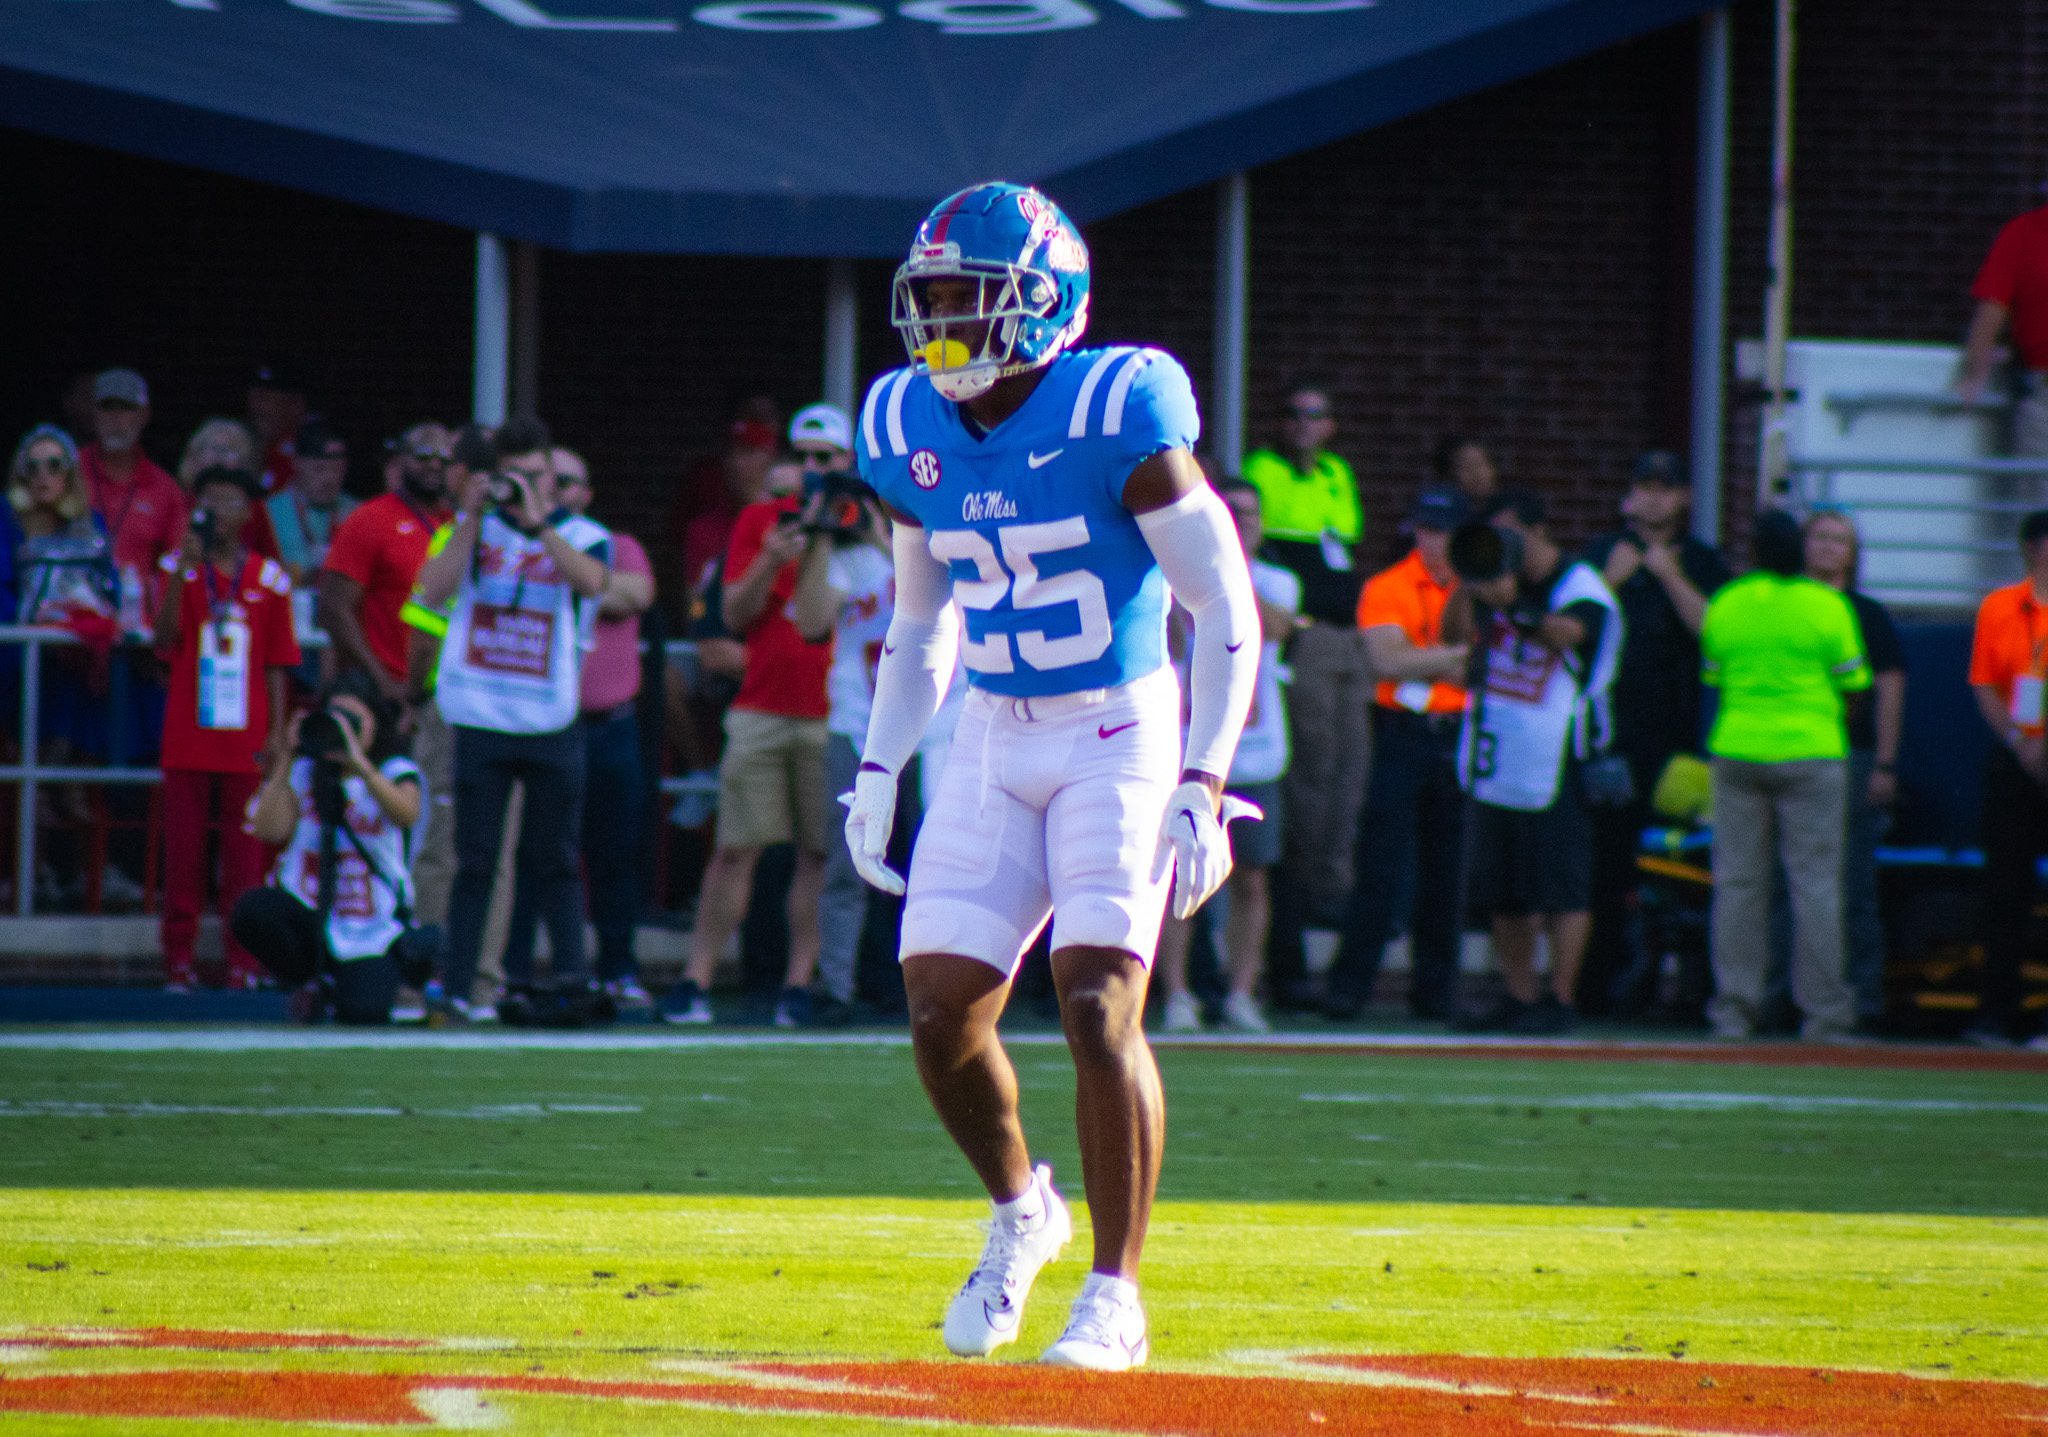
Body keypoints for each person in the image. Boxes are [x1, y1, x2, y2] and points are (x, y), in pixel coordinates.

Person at [844, 183, 1258, 1370]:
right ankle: (1023, 1208)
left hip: (1116, 727)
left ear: (1045, 306)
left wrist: (1203, 778)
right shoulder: (898, 420)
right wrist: (880, 764)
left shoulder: (1118, 404)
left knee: (1094, 1001)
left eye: (969, 305)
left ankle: (1114, 1292)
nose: (942, 334)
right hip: (988, 726)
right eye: (927, 307)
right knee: (936, 1011)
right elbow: (920, 624)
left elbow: (1218, 602)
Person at [413, 416, 611, 1023]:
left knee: (554, 857)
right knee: (474, 861)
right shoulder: (468, 527)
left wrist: (538, 525)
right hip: (479, 713)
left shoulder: (581, 533)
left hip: (551, 718)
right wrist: (473, 516)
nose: (522, 486)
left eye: (534, 475)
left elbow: (594, 582)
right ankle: (454, 984)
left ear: (551, 476)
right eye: (511, 477)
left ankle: (572, 977)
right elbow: (430, 593)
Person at [664, 420, 835, 1030]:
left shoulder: (864, 528)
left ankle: (798, 984)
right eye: (806, 454)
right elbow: (731, 615)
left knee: (818, 855)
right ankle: (695, 978)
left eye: (827, 457)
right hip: (762, 707)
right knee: (735, 851)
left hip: (833, 712)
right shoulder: (761, 521)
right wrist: (770, 557)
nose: (814, 467)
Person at [1447, 490, 1622, 1035]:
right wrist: (1466, 582)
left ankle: (1561, 998)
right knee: (1504, 890)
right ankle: (1520, 995)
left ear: (1539, 532)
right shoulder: (1490, 579)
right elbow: (1453, 637)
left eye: (1509, 536)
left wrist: (1510, 605)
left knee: (1562, 887)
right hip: (1498, 754)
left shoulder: (1580, 586)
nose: (1501, 547)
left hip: (1561, 757)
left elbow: (1568, 633)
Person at [1699, 509, 1867, 1043]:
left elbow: (1714, 676)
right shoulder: (1828, 605)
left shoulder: (1727, 603)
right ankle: (1824, 1014)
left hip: (1738, 749)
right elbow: (1855, 680)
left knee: (1738, 886)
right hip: (1811, 751)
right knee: (1815, 884)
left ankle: (1734, 1009)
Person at [501, 446, 656, 1009]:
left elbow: (632, 593)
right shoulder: (515, 544)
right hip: (545, 725)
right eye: (549, 480)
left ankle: (618, 968)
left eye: (569, 482)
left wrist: (574, 570)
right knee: (537, 853)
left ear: (586, 493)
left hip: (610, 725)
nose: (558, 490)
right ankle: (514, 968)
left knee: (614, 854)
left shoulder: (618, 544)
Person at [1580, 452, 1730, 1012]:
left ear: (1684, 497)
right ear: (1628, 496)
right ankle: (1594, 989)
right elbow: (1572, 624)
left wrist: (1669, 576)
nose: (1653, 499)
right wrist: (1612, 580)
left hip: (1679, 745)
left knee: (1683, 870)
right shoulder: (1600, 556)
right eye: (1644, 487)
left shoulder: (1704, 561)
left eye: (1665, 488)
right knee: (1604, 866)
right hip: (1607, 740)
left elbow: (1715, 633)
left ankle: (1690, 994)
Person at [151, 466, 302, 990]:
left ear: (248, 513)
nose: (220, 514)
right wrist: (178, 575)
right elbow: (163, 641)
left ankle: (244, 960)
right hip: (189, 736)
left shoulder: (269, 578)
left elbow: (278, 662)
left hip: (247, 740)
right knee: (185, 857)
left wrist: (278, 735)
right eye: (210, 503)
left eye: (231, 503)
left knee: (246, 860)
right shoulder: (179, 567)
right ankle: (178, 960)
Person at [1323, 486, 1471, 1021]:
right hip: (1402, 730)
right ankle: (1349, 988)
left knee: (1447, 870)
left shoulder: (1477, 587)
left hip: (1459, 732)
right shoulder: (1388, 586)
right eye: (1425, 530)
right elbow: (1388, 662)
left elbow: (1471, 665)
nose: (1432, 541)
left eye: (1443, 530)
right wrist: (1453, 659)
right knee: (1381, 863)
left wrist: (1426, 658)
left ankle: (1436, 994)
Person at [1155, 479, 1296, 1034]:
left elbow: (1279, 628)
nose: (1244, 523)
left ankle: (1241, 993)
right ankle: (1178, 995)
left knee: (1252, 879)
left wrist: (1229, 567)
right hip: (1186, 747)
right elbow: (1165, 645)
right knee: (1174, 875)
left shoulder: (1276, 579)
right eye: (1232, 514)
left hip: (1254, 752)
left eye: (1251, 515)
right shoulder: (1178, 571)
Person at [788, 402, 906, 1021]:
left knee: (928, 860)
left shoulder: (918, 540)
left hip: (931, 729)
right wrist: (816, 536)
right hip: (856, 727)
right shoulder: (837, 556)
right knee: (848, 862)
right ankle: (835, 988)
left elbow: (934, 598)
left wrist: (879, 537)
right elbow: (810, 621)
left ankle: (921, 986)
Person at [1242, 387, 1367, 934]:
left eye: (1314, 415)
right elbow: (1283, 548)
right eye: (1292, 414)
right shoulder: (1262, 468)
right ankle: (1311, 887)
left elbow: (1343, 544)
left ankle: (1332, 881)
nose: (1301, 425)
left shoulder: (1337, 473)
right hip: (1299, 637)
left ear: (1331, 426)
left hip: (1342, 634)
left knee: (1346, 768)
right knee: (1310, 772)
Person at [234, 671, 425, 1024]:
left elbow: (406, 813)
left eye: (354, 722)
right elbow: (268, 830)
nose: (345, 731)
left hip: (370, 928)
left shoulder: (393, 769)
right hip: (311, 915)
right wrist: (287, 760)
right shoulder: (305, 772)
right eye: (337, 720)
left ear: (375, 722)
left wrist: (361, 766)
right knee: (252, 910)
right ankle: (304, 980)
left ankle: (339, 987)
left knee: (364, 1014)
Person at [1788, 509, 1904, 1030]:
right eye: (1820, 538)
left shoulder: (1867, 614)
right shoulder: (1786, 606)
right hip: (1792, 753)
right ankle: (1786, 1000)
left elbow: (1890, 689)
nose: (1829, 548)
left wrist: (1885, 761)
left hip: (1851, 757)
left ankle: (1864, 999)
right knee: (1785, 885)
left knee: (1853, 882)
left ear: (1854, 554)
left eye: (1840, 540)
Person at [1964, 509, 2048, 1047]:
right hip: (2017, 759)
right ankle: (1998, 1011)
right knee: (2005, 890)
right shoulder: (2000, 607)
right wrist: (2022, 743)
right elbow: (1985, 683)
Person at [79, 369, 184, 622]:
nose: (116, 418)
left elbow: (177, 562)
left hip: (138, 626)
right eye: (107, 407)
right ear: (93, 414)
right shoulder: (67, 471)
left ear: (144, 415)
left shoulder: (164, 488)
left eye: (125, 408)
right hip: (73, 625)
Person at [1961, 201, 2048, 454]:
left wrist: (1975, 374)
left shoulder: (2022, 233)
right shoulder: (2024, 233)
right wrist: (1975, 374)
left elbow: (1992, 309)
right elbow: (1992, 309)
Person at [268, 418, 358, 589]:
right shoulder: (270, 512)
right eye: (319, 469)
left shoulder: (358, 513)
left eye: (337, 469)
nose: (330, 479)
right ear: (296, 463)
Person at [247, 361, 310, 496]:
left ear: (295, 405)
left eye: (265, 399)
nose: (257, 408)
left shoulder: (307, 453)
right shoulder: (244, 446)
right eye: (254, 398)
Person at [1435, 435, 1499, 510]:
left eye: (1480, 464)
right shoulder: (1440, 507)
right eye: (1465, 467)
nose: (1476, 473)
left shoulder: (1510, 508)